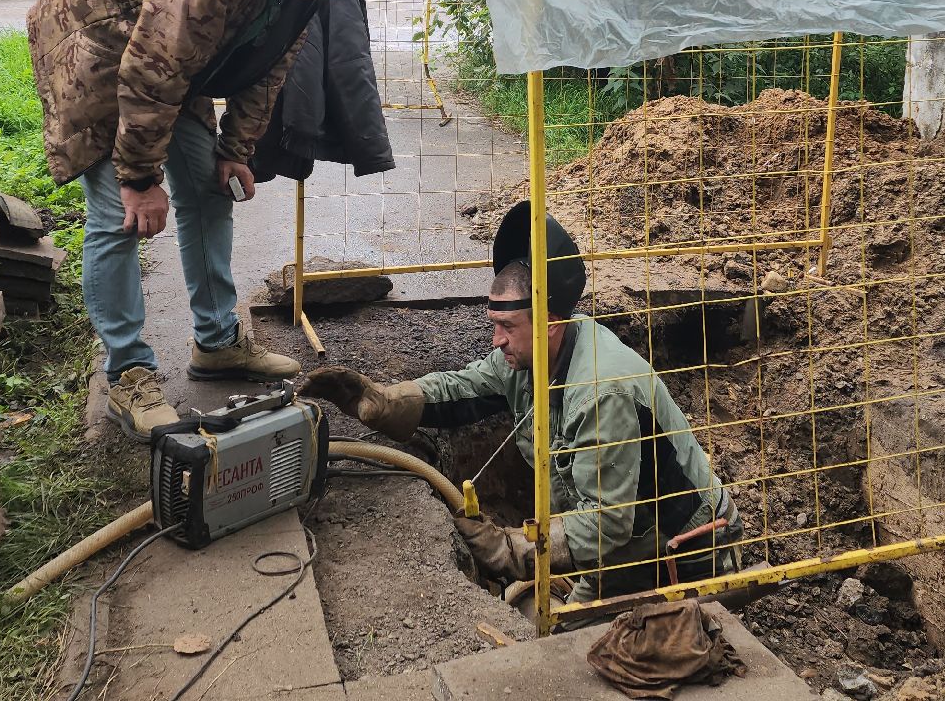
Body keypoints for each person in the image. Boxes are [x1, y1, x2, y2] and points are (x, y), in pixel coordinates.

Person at [28, 0, 373, 440]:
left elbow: (271, 62)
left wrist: (235, 150)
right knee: (120, 215)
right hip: (98, 45)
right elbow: (150, 69)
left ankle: (216, 343)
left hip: (171, 55)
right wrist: (140, 178)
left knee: (210, 191)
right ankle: (127, 374)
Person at [302, 202, 741, 610]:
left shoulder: (601, 392)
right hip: (627, 536)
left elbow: (606, 525)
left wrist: (509, 549)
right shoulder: (531, 356)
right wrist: (385, 401)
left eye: (507, 326)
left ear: (549, 323)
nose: (496, 340)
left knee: (563, 636)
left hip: (685, 548)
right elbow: (464, 389)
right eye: (494, 324)